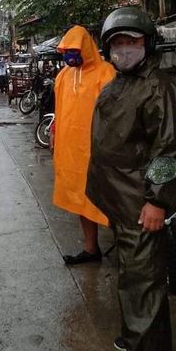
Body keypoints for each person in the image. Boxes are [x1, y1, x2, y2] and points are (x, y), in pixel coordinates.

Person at [86, 7, 176, 351]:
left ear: (148, 45)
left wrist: (157, 201)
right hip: (119, 196)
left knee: (139, 278)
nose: (124, 49)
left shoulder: (158, 86)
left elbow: (169, 149)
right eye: (117, 43)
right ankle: (145, 339)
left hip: (140, 199)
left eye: (132, 42)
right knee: (140, 272)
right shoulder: (122, 82)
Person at [52, 26, 115, 265]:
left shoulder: (105, 72)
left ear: (86, 48)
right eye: (66, 50)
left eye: (74, 49)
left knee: (111, 201)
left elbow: (114, 113)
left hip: (100, 149)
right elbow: (59, 110)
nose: (70, 54)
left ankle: (131, 255)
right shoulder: (64, 76)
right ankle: (91, 249)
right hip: (72, 151)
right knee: (80, 198)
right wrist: (54, 132)